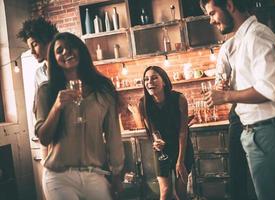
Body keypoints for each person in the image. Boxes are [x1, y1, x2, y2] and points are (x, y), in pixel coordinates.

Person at [200, 0, 275, 200]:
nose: (211, 21)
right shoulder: (239, 41)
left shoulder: (257, 36)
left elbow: (268, 89)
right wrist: (229, 87)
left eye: (212, 13)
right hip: (255, 132)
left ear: (229, 5)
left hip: (265, 133)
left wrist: (226, 96)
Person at [34, 32, 124, 200]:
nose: (66, 52)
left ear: (81, 50)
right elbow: (43, 137)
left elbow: (113, 134)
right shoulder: (46, 91)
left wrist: (117, 174)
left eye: (71, 46)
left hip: (94, 174)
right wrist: (56, 107)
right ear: (54, 58)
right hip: (59, 177)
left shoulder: (103, 88)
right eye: (59, 50)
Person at [215, 33, 275, 200]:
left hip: (267, 115)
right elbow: (219, 85)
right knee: (238, 174)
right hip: (239, 115)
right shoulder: (228, 47)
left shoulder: (272, 39)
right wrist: (222, 86)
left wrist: (258, 86)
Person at [138, 66, 194, 200]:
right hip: (161, 151)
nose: (149, 82)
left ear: (164, 81)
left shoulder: (179, 99)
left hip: (182, 147)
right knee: (165, 191)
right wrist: (157, 141)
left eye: (154, 77)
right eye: (146, 79)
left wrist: (180, 161)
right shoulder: (143, 104)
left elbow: (183, 132)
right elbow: (152, 130)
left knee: (181, 193)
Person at [17, 17, 59, 159]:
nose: (32, 52)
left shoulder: (68, 67)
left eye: (34, 45)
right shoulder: (39, 74)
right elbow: (39, 115)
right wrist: (44, 156)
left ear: (48, 40)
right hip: (51, 140)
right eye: (30, 47)